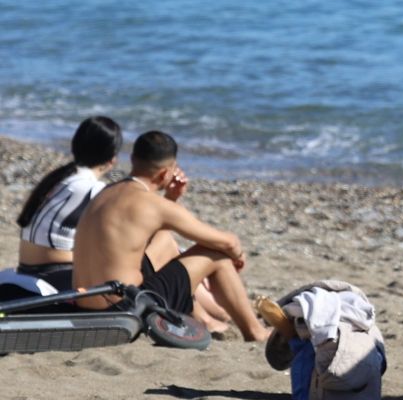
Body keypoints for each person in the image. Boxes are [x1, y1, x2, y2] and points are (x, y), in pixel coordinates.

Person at [72, 130, 271, 340]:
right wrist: (238, 256)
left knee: (164, 240)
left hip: (85, 306)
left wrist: (170, 198)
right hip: (124, 311)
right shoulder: (153, 205)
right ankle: (255, 332)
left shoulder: (106, 192)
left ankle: (203, 318)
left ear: (132, 159)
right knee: (216, 255)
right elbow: (228, 242)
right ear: (165, 173)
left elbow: (143, 234)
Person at [13, 116, 123, 292]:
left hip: (26, 268)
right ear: (112, 159)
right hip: (55, 274)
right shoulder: (93, 189)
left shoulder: (60, 178)